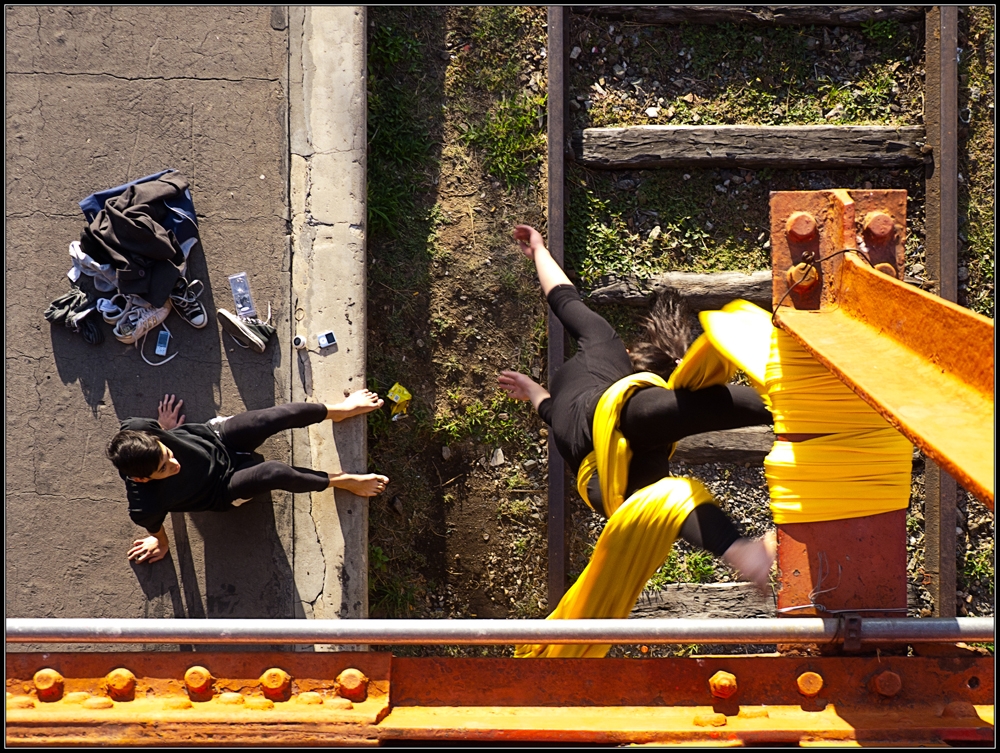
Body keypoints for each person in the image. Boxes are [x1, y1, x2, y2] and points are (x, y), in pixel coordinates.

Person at [498, 224, 775, 596]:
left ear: (632, 356)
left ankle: (741, 551)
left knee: (667, 499)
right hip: (612, 433)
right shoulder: (609, 366)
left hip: (606, 487)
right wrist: (540, 252)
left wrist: (539, 251)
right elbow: (562, 302)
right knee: (664, 420)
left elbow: (563, 299)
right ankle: (780, 406)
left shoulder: (603, 349)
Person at [108, 392, 389, 564]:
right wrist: (160, 543)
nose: (175, 463)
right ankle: (344, 481)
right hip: (223, 488)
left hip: (215, 438)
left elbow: (153, 431)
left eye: (167, 452)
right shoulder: (144, 504)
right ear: (143, 480)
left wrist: (166, 430)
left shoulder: (139, 428)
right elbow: (156, 530)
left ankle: (342, 410)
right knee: (274, 472)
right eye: (164, 469)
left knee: (271, 417)